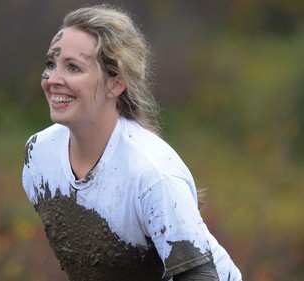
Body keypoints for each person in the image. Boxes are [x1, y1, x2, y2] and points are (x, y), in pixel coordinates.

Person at [22, 4, 242, 281]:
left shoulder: (152, 173)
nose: (53, 79)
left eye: (73, 68)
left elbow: (201, 276)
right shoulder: (38, 156)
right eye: (51, 65)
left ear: (116, 83)